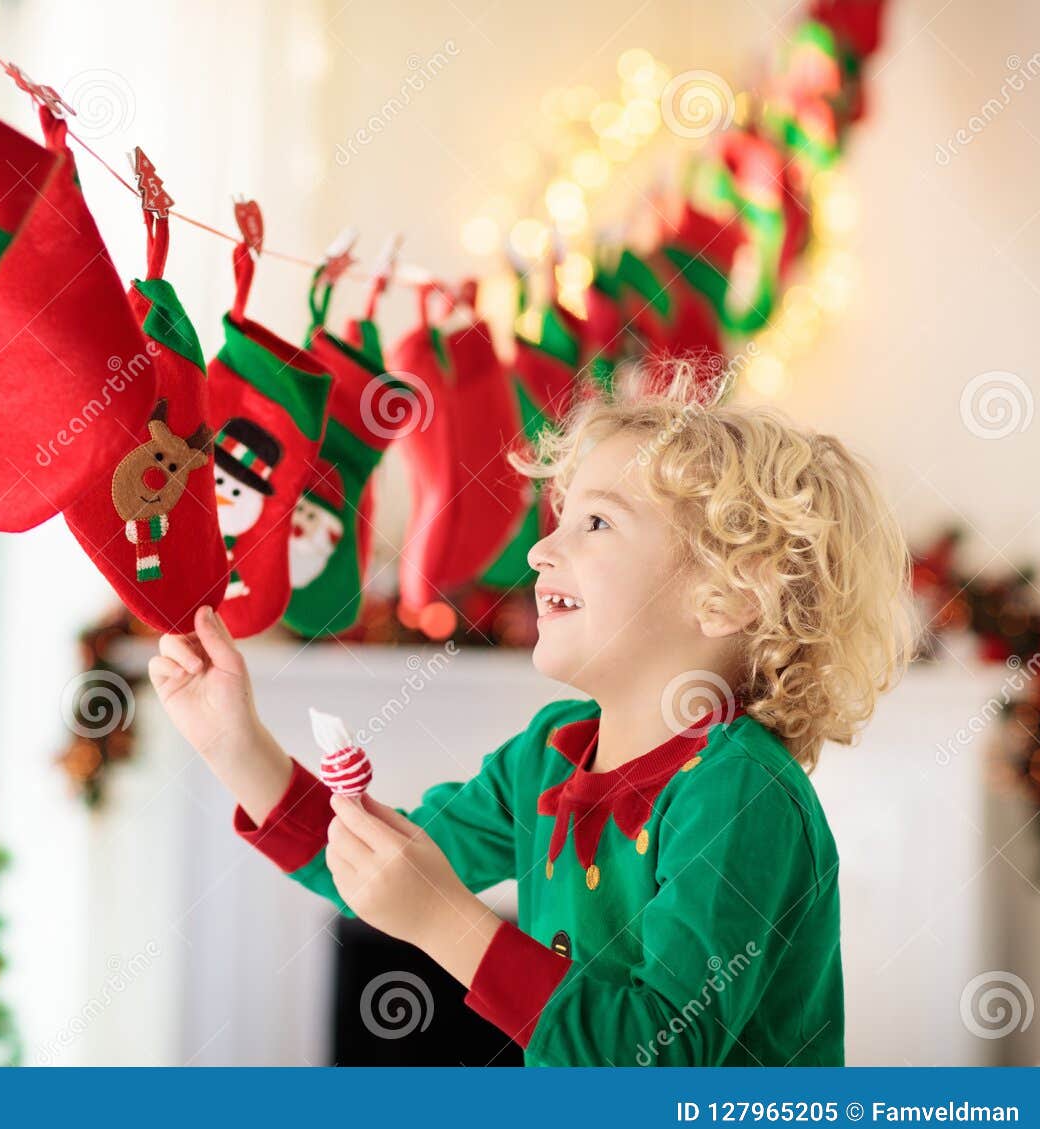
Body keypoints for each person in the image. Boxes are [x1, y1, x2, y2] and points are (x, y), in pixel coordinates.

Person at [150, 372, 917, 1065]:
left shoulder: (741, 793)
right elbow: (376, 867)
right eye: (560, 518)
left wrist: (445, 922)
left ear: (726, 596)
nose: (544, 548)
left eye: (598, 523)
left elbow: (650, 1064)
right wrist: (233, 742)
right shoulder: (547, 754)